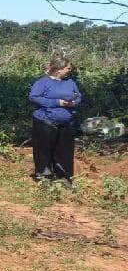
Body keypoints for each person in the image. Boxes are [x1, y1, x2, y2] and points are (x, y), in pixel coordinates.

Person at [28, 56, 82, 184]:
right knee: (44, 151)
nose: (70, 70)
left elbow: (78, 95)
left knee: (64, 152)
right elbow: (34, 97)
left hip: (66, 123)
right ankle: (44, 179)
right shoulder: (43, 82)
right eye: (68, 68)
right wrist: (57, 102)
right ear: (59, 69)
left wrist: (74, 102)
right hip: (45, 122)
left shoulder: (70, 82)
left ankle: (64, 179)